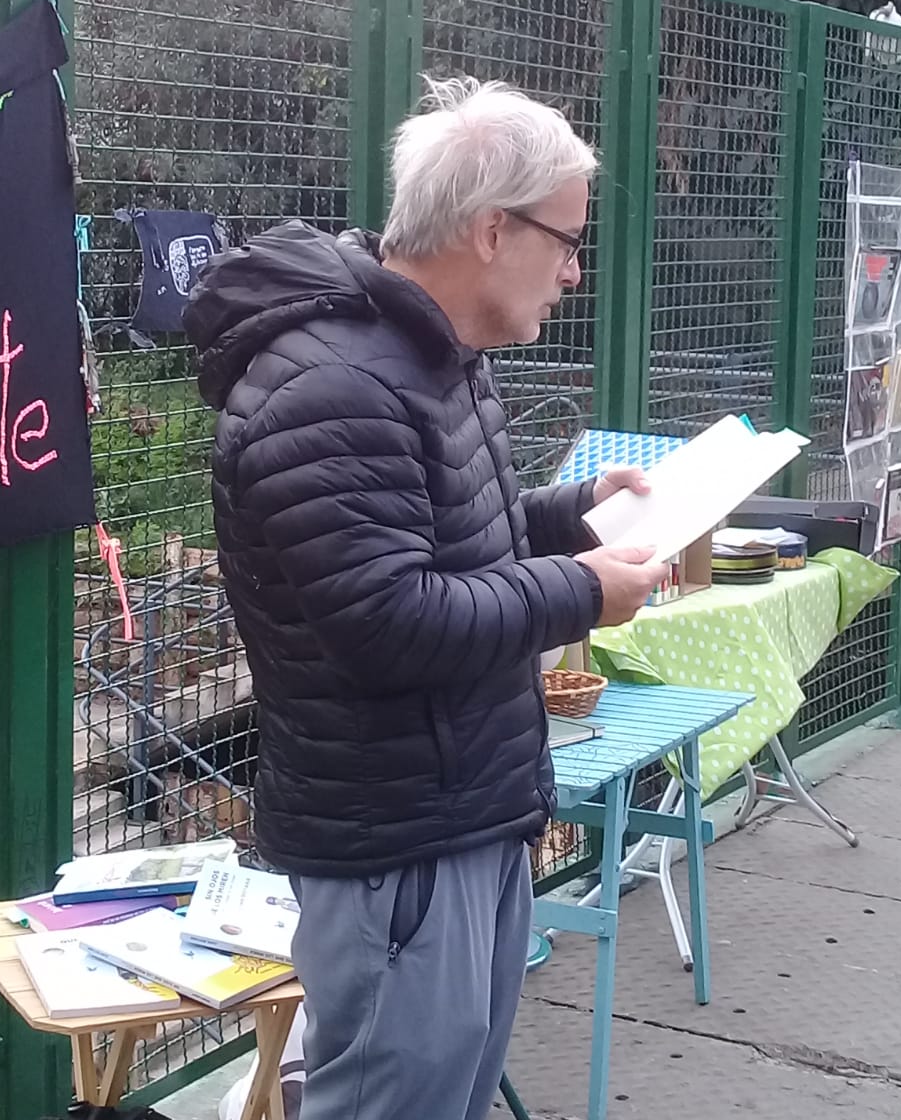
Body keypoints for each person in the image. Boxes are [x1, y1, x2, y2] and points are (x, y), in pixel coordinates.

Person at [184, 78, 666, 1120]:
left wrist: (579, 514)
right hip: (401, 847)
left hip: (463, 812)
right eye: (567, 240)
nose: (575, 271)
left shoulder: (432, 354)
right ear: (494, 229)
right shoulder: (337, 385)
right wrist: (583, 589)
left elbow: (454, 538)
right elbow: (389, 623)